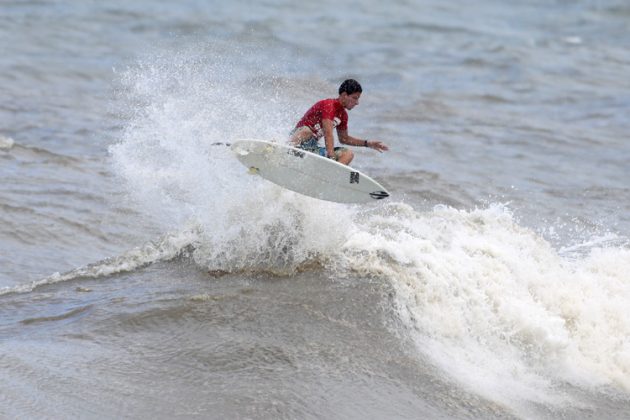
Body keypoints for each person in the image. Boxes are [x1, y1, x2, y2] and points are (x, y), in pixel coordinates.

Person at [289, 79, 388, 165]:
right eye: (355, 98)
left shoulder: (343, 115)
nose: (357, 103)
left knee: (348, 154)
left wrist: (367, 143)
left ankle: (330, 176)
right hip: (298, 139)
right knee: (307, 132)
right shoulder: (329, 105)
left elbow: (344, 139)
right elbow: (328, 133)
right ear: (345, 95)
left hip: (312, 148)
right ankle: (285, 148)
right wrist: (331, 157)